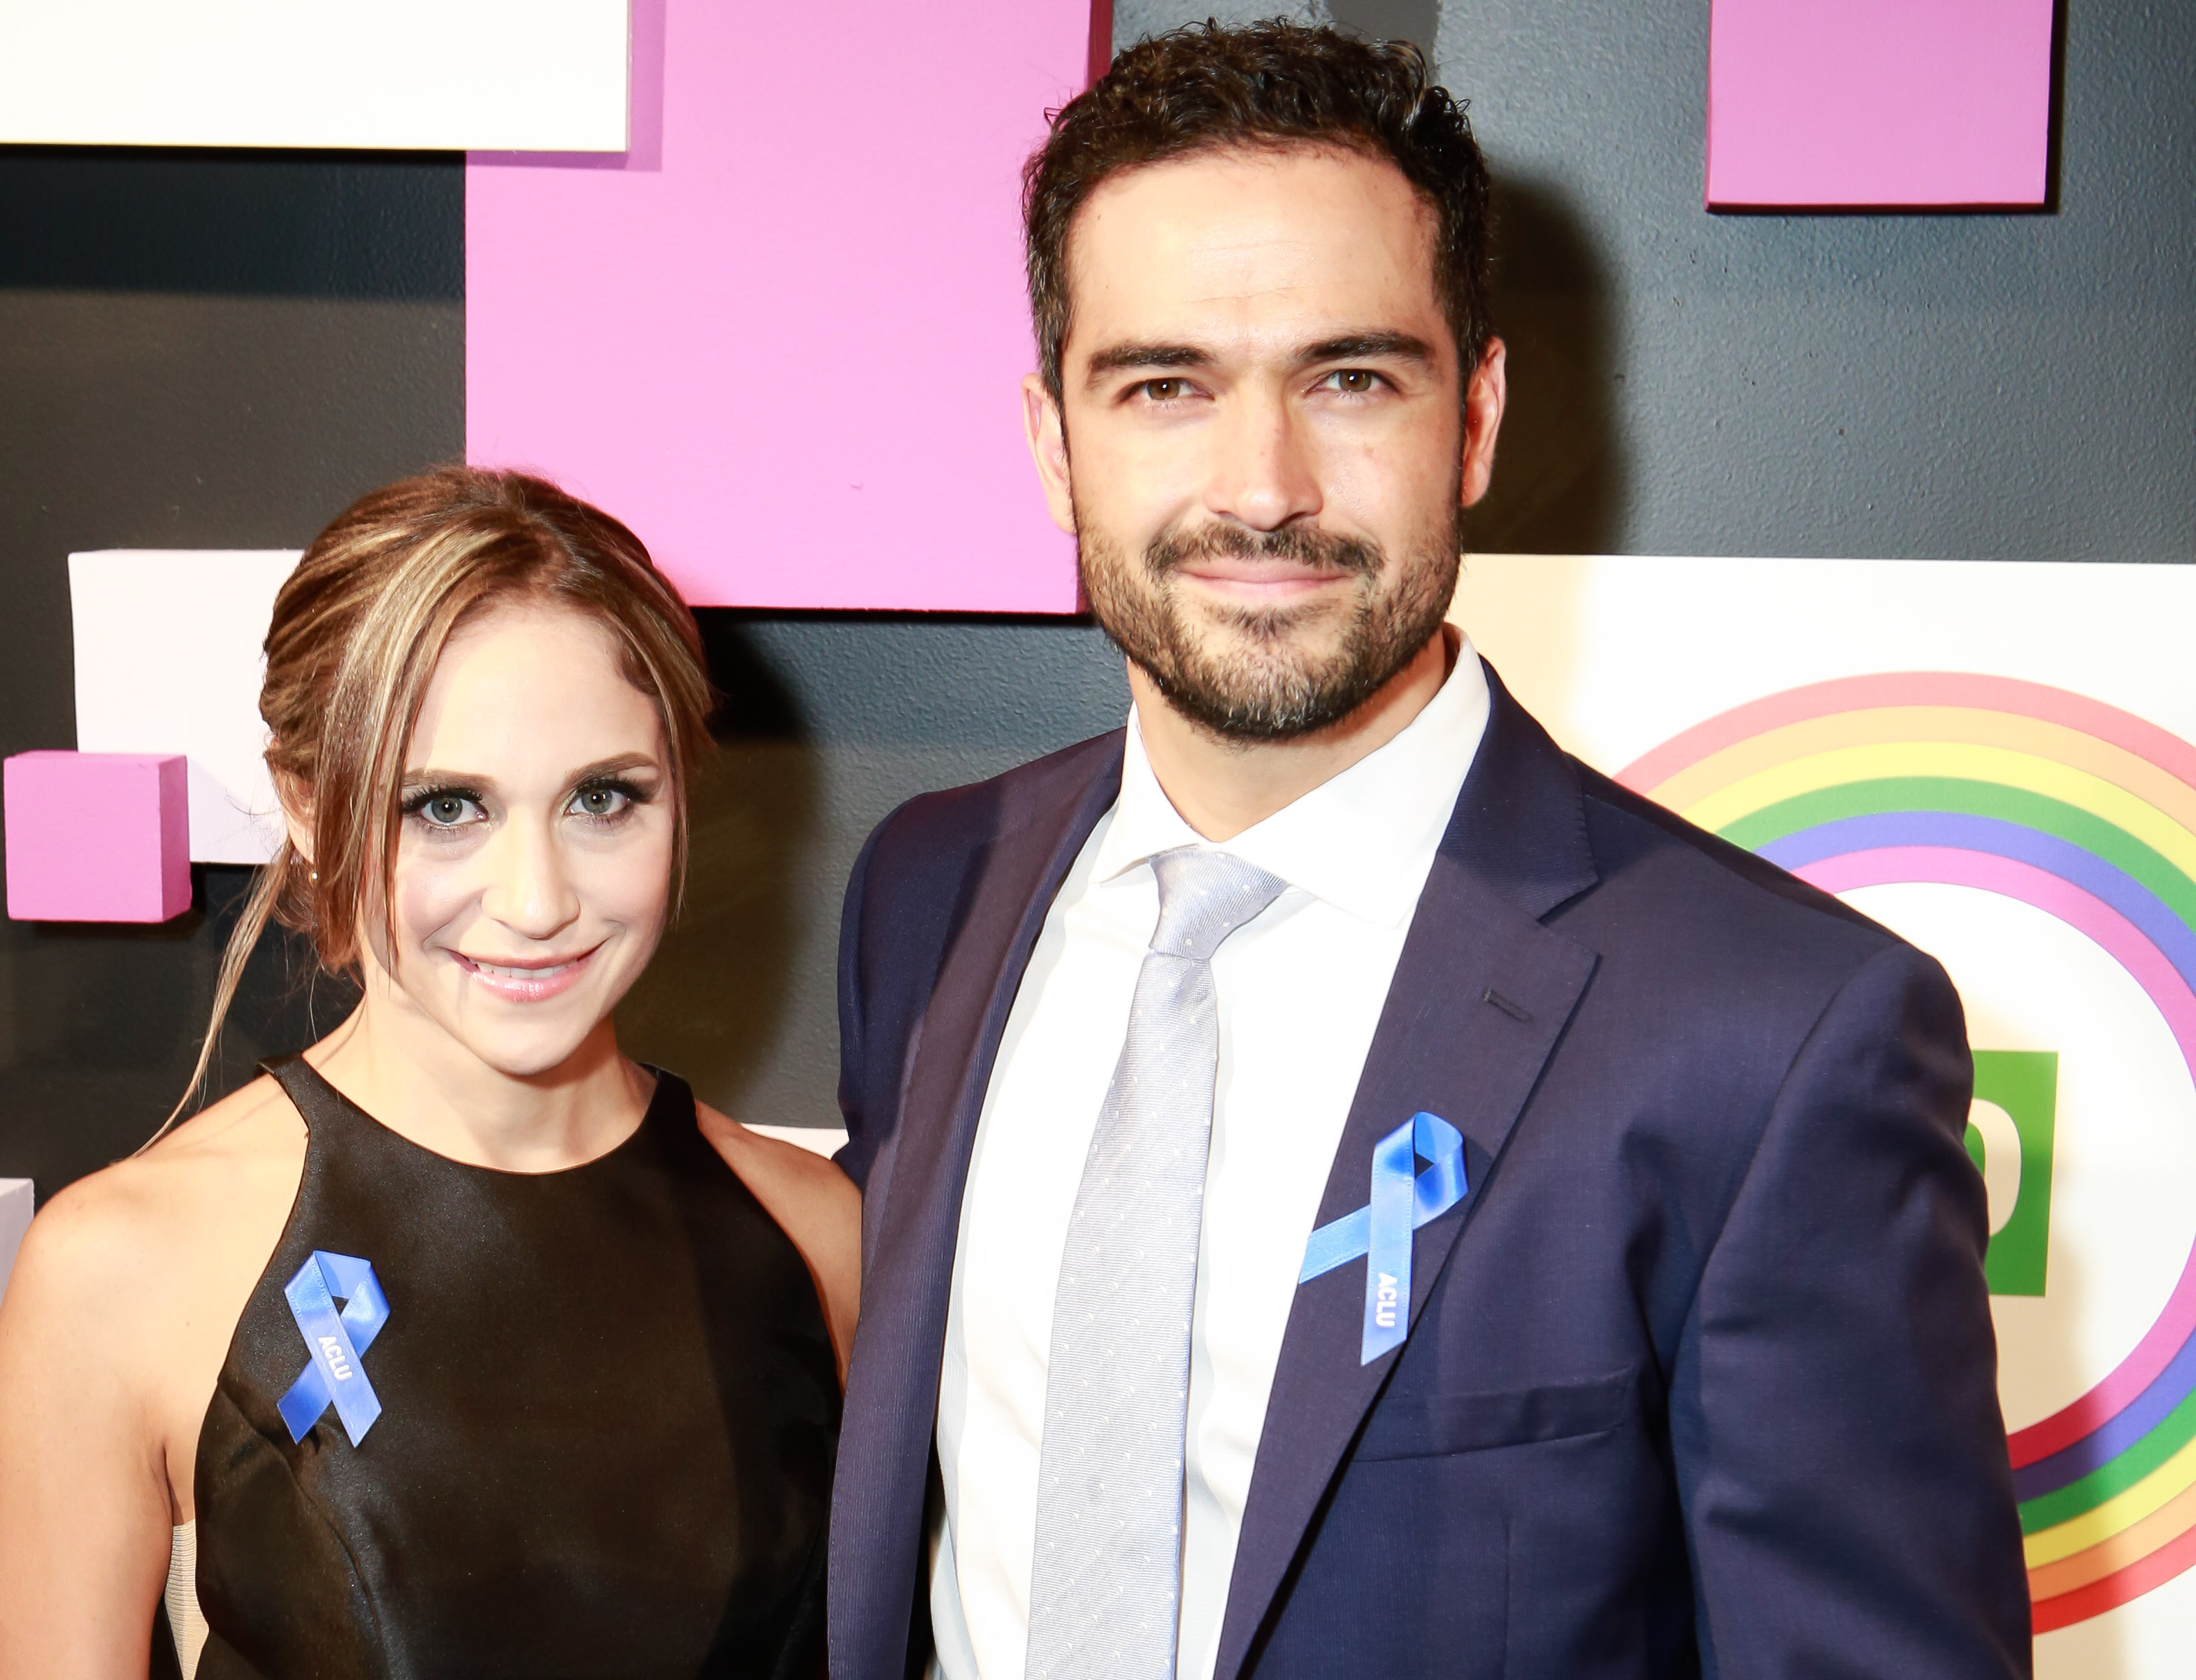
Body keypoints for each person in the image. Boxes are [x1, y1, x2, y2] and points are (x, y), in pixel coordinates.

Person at [828, 24, 2025, 1680]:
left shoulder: (1777, 1036)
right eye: (1166, 384)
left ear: (1476, 416)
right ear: (1053, 443)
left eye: (1351, 378)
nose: (1263, 488)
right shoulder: (929, 891)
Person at [0, 468, 859, 1679]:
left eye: (605, 798)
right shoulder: (118, 1270)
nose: (538, 901)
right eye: (447, 807)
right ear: (307, 805)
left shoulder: (822, 1239)